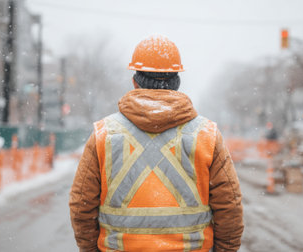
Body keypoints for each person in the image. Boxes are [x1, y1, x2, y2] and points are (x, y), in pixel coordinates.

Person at [69, 35, 244, 251]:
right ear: (177, 82)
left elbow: (81, 205)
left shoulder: (103, 134)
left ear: (135, 82)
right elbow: (230, 205)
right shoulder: (207, 135)